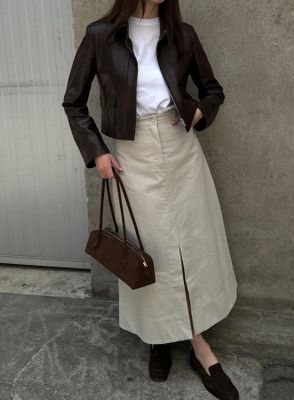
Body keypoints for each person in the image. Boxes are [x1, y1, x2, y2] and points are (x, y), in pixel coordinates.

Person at [62, 1, 239, 398]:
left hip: (182, 150)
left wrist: (198, 112)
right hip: (132, 154)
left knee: (191, 247)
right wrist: (96, 151)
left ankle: (198, 345)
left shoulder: (183, 34)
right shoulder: (99, 36)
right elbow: (73, 102)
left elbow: (213, 90)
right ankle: (159, 338)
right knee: (151, 249)